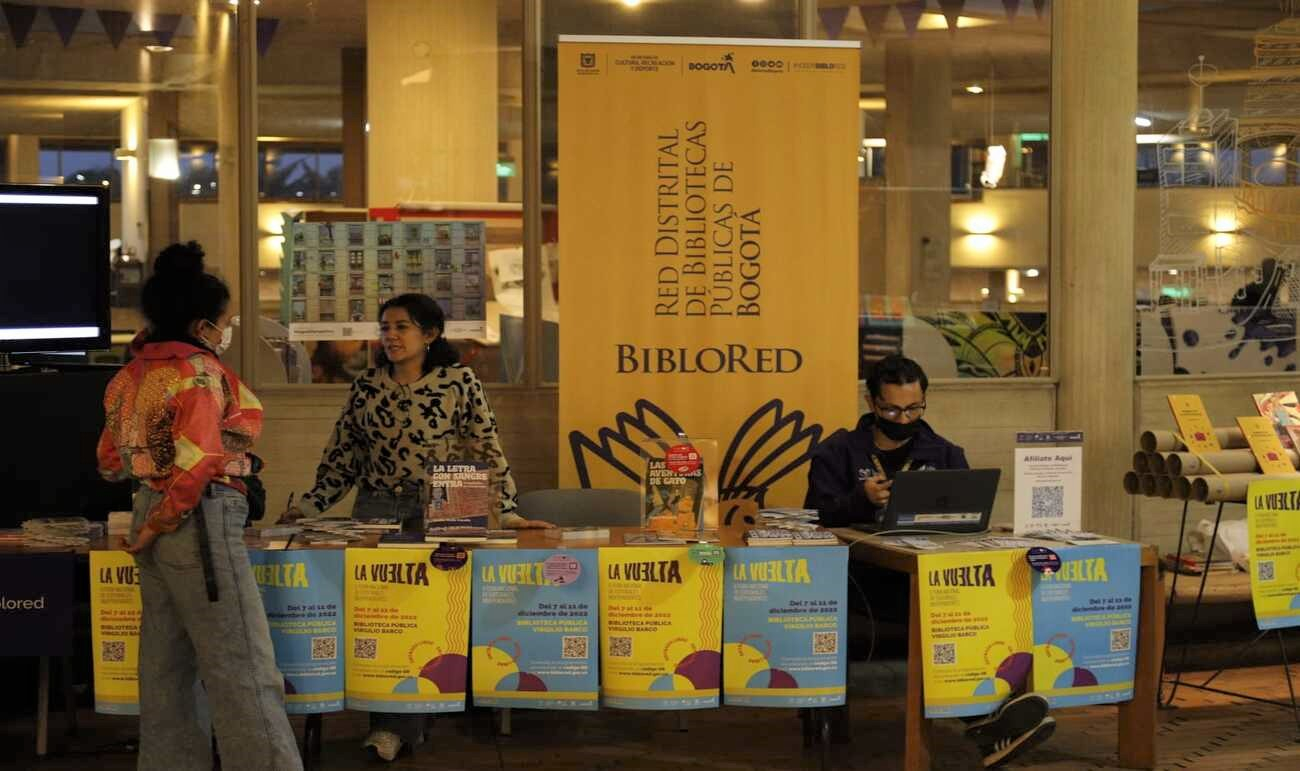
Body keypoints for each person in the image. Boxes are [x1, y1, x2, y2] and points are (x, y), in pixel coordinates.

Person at [282, 292, 552, 761]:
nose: (390, 336)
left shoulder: (458, 381)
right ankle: (394, 726)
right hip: (377, 508)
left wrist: (506, 509)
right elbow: (341, 459)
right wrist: (308, 506)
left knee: (429, 615)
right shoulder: (366, 386)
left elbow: (486, 446)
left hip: (446, 505)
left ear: (429, 335)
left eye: (401, 327)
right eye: (385, 327)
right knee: (383, 617)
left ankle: (404, 721)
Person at [97, 242, 300, 771]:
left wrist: (148, 521)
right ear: (202, 323)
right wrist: (167, 516)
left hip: (148, 513)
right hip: (198, 518)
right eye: (226, 321)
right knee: (242, 665)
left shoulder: (128, 376)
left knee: (165, 670)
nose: (226, 331)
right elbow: (203, 456)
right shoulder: (199, 371)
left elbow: (108, 462)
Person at [804, 354, 1055, 768]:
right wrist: (859, 500)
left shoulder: (944, 452)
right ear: (871, 403)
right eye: (891, 409)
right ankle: (993, 719)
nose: (903, 419)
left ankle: (995, 717)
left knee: (981, 600)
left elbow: (971, 517)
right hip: (865, 584)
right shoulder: (839, 452)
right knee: (946, 612)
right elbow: (815, 515)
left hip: (940, 577)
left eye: (913, 408)